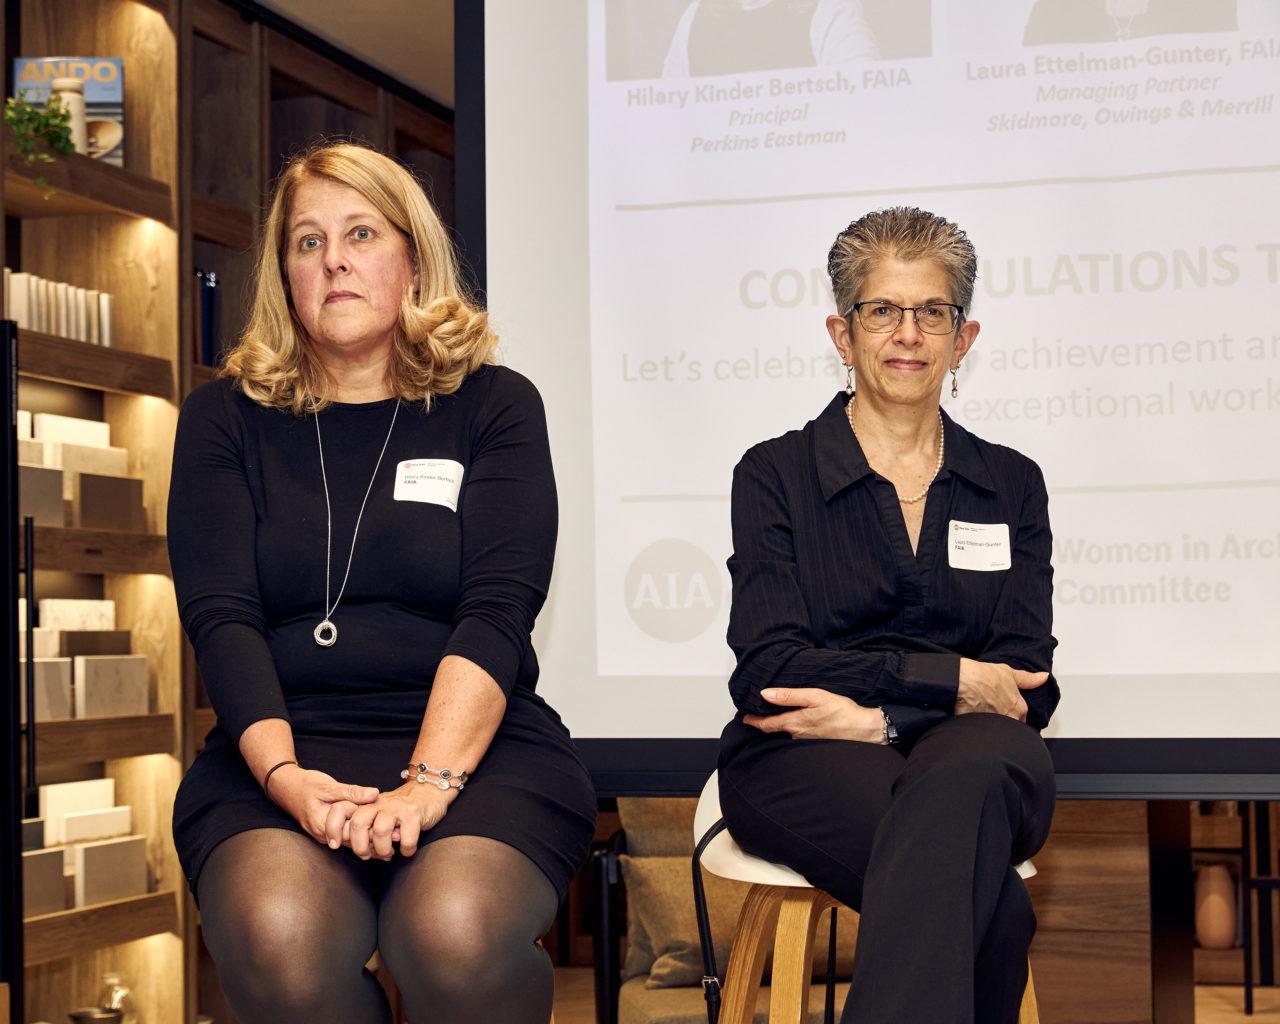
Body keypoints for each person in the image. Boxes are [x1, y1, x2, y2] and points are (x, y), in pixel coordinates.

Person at [167, 142, 596, 1024]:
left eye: (361, 234)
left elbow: (498, 610)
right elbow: (221, 618)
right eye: (308, 241)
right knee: (278, 936)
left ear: (413, 260)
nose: (334, 260)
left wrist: (429, 781)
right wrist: (285, 776)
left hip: (474, 750)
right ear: (286, 276)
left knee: (452, 932)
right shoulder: (221, 418)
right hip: (280, 750)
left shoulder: (495, 404)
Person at [716, 207, 1060, 1023]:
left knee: (969, 775)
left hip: (976, 754)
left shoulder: (1011, 483)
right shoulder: (775, 474)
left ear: (963, 339)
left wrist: (881, 719)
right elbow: (769, 669)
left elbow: (1025, 686)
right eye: (882, 311)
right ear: (843, 333)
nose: (909, 333)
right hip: (803, 755)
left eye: (932, 312)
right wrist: (947, 681)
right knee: (991, 903)